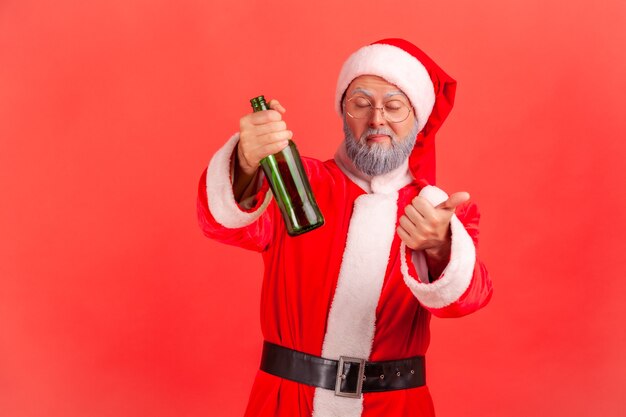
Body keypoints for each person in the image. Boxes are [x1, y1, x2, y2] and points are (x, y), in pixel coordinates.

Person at [197, 38, 493, 417]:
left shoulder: (436, 210)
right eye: (361, 103)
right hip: (287, 404)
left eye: (394, 106)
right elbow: (221, 224)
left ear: (417, 121)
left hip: (395, 407)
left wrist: (439, 246)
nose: (377, 119)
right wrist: (246, 160)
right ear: (343, 112)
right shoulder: (297, 180)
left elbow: (467, 299)